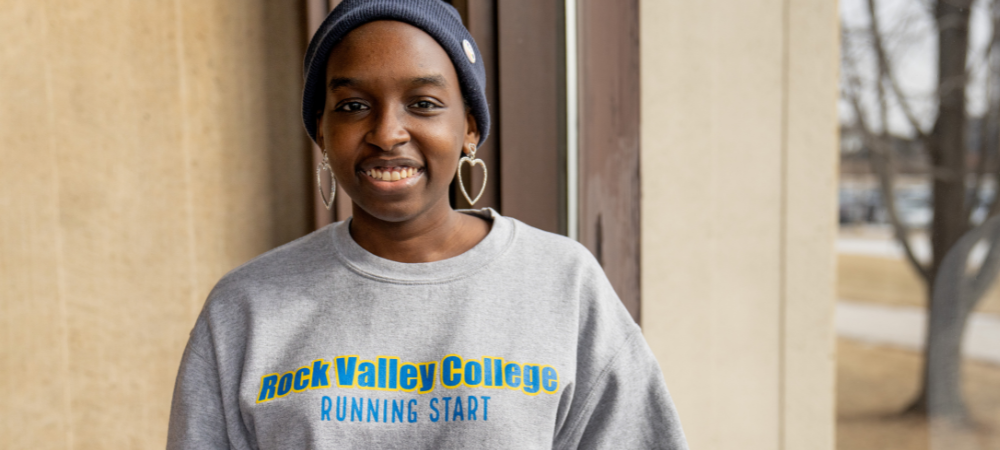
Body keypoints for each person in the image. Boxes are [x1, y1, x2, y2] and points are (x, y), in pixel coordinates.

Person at [166, 0, 688, 448]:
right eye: (352, 105)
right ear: (321, 131)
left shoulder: (562, 283)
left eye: (423, 103)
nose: (387, 132)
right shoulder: (245, 308)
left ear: (469, 127)